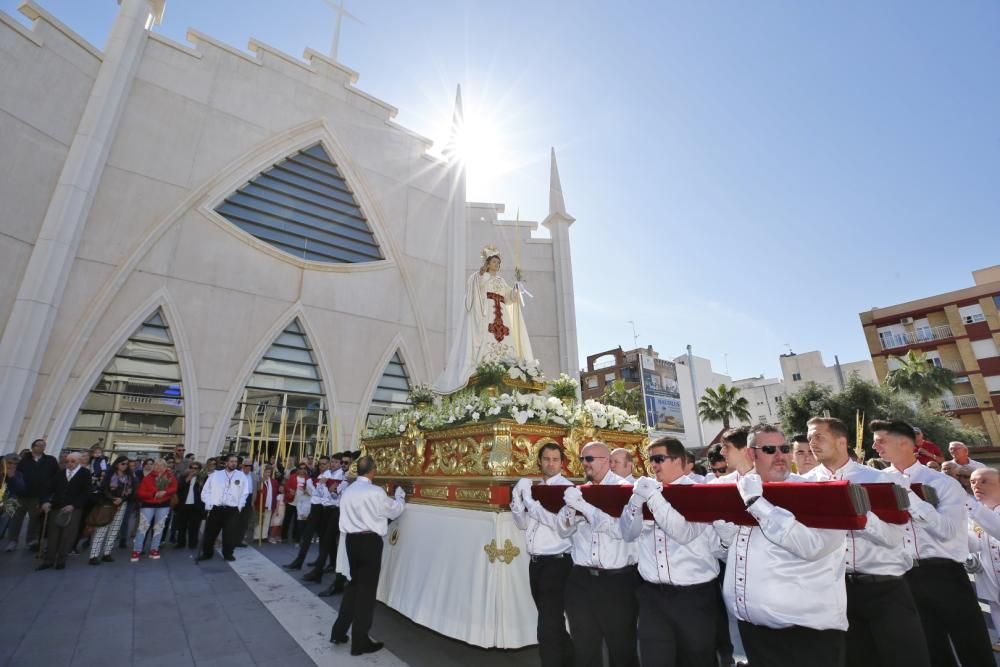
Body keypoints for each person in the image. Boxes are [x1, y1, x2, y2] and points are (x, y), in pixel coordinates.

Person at [716, 423, 847, 667]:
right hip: (754, 632)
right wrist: (725, 535)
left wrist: (758, 504)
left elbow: (814, 547)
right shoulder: (739, 491)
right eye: (769, 449)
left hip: (806, 636)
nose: (780, 456)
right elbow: (727, 552)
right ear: (750, 454)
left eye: (784, 448)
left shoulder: (817, 492)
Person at [803, 417, 929, 667]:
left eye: (818, 436)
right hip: (836, 591)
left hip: (885, 589)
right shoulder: (805, 483)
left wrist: (858, 513)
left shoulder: (880, 480)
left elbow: (894, 537)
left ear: (841, 441)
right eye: (809, 438)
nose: (811, 443)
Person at [873, 418, 993, 666]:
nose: (876, 447)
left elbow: (947, 531)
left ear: (904, 443)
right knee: (931, 651)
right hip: (903, 576)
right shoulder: (875, 481)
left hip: (945, 574)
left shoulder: (942, 483)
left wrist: (907, 496)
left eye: (881, 441)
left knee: (973, 647)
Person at [620, 436, 722, 667]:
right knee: (654, 660)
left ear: (678, 460)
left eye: (659, 459)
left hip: (694, 596)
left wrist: (654, 497)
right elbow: (628, 534)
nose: (653, 465)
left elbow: (682, 532)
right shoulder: (647, 491)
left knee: (697, 659)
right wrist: (636, 501)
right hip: (653, 595)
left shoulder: (699, 493)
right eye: (650, 460)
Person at [555, 441, 638, 667]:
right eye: (582, 459)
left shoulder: (624, 490)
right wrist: (572, 510)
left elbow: (622, 531)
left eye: (589, 459)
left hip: (616, 580)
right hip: (581, 579)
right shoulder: (580, 491)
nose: (584, 464)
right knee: (584, 645)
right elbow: (562, 529)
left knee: (621, 648)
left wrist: (587, 509)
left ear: (606, 461)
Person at [330, 455, 405, 655]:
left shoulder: (348, 490)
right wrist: (400, 496)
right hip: (369, 542)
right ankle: (360, 642)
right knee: (366, 593)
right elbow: (394, 511)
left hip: (351, 541)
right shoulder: (376, 491)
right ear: (373, 471)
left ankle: (338, 632)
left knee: (354, 585)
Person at [434, 245, 534, 393]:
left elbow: (508, 297)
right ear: (487, 263)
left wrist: (516, 289)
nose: (497, 265)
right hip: (487, 313)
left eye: (498, 263)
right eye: (494, 262)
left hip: (501, 313)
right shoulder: (479, 277)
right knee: (487, 338)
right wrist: (480, 275)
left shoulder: (501, 281)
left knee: (505, 338)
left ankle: (507, 363)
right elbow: (474, 288)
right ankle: (486, 363)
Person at [510, 442, 574, 667]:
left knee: (546, 626)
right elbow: (522, 524)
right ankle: (571, 661)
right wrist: (518, 500)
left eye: (555, 459)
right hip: (536, 564)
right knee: (552, 623)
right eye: (546, 459)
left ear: (562, 463)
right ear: (540, 461)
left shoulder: (567, 490)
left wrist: (529, 501)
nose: (550, 463)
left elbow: (560, 525)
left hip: (558, 564)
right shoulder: (535, 487)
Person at [36, 452, 91, 570]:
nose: (69, 464)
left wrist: (74, 505)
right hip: (57, 507)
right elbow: (48, 488)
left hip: (73, 510)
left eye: (73, 461)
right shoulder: (60, 473)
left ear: (79, 462)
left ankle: (61, 560)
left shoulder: (85, 474)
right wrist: (45, 501)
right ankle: (48, 560)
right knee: (52, 534)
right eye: (68, 461)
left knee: (68, 535)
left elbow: (86, 493)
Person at [967, 467, 1000, 652]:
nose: (976, 486)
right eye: (972, 482)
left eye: (984, 481)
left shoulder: (976, 511)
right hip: (990, 573)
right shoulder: (974, 516)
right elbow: (974, 545)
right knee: (996, 604)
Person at [6, 438, 58, 552]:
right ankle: (12, 541)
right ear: (33, 447)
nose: (42, 447)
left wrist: (49, 494)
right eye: (39, 445)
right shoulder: (22, 459)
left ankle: (31, 540)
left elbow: (55, 476)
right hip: (20, 495)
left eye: (44, 446)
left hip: (38, 496)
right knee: (16, 518)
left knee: (35, 519)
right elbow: (12, 474)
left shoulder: (50, 460)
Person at [198, 454, 250, 562]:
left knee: (230, 534)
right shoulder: (215, 475)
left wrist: (240, 506)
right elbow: (206, 491)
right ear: (226, 462)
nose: (233, 463)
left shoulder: (241, 476)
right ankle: (207, 553)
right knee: (210, 533)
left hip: (232, 510)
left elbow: (244, 494)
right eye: (231, 461)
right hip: (216, 508)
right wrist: (209, 504)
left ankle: (228, 553)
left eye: (235, 461)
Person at [284, 457, 332, 571]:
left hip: (324, 509)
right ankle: (299, 561)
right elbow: (313, 489)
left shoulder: (330, 476)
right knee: (307, 536)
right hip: (315, 508)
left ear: (328, 465)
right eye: (320, 464)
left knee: (323, 537)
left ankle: (322, 562)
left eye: (324, 464)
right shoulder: (316, 476)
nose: (322, 466)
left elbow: (323, 493)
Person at [88, 456, 134, 565]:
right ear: (117, 464)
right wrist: (112, 499)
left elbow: (130, 490)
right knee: (102, 529)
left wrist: (122, 499)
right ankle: (93, 555)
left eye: (127, 464)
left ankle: (107, 553)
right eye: (123, 463)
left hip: (121, 504)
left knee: (114, 530)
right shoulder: (110, 474)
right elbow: (103, 488)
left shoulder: (129, 477)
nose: (125, 466)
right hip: (107, 504)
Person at [132, 458, 177, 561]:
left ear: (165, 467)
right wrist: (153, 494)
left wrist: (165, 492)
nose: (159, 467)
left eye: (161, 465)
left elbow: (174, 488)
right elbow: (140, 493)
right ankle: (137, 550)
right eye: (156, 465)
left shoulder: (170, 477)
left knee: (159, 527)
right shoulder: (148, 478)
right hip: (148, 505)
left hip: (163, 505)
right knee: (143, 527)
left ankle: (154, 549)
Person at [173, 461, 204, 549]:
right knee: (181, 526)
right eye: (191, 468)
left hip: (196, 506)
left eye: (195, 468)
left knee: (194, 527)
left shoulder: (202, 479)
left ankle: (192, 543)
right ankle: (181, 543)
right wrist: (188, 478)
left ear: (199, 470)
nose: (193, 470)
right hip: (183, 505)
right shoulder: (183, 477)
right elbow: (178, 489)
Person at [0, 454, 26, 543]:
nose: (12, 466)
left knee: (3, 524)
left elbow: (20, 488)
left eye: (15, 464)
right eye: (9, 463)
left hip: (11, 500)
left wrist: (12, 477)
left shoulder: (18, 474)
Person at [252, 465, 280, 542]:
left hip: (270, 505)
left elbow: (276, 492)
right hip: (260, 504)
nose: (268, 474)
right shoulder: (260, 481)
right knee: (259, 521)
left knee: (267, 521)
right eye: (266, 472)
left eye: (269, 472)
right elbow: (256, 491)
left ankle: (264, 536)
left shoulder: (274, 482)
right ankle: (257, 537)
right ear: (263, 473)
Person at [283, 462, 310, 542]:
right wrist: (290, 490)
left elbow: (310, 489)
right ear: (297, 469)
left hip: (301, 503)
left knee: (297, 521)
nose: (302, 470)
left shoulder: (308, 479)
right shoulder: (292, 477)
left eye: (304, 468)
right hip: (291, 501)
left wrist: (307, 491)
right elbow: (286, 486)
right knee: (287, 520)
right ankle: (284, 537)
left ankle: (295, 537)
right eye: (301, 468)